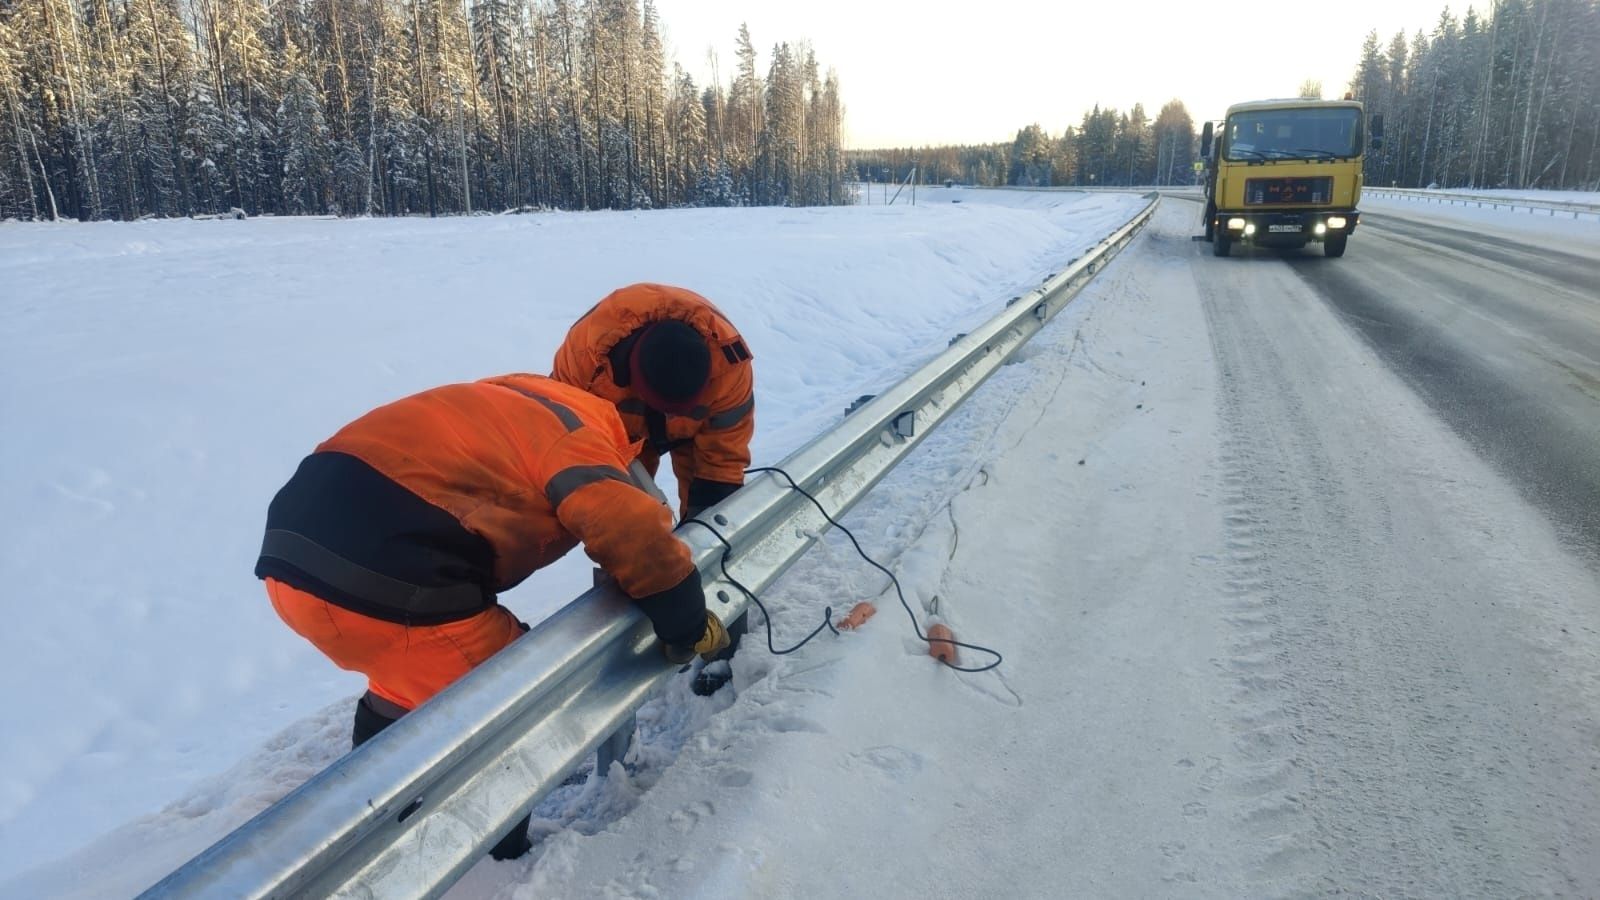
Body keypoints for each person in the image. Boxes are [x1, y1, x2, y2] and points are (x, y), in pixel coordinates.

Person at [254, 372, 729, 861]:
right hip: (388, 573)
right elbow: (634, 532)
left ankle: (371, 812)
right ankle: (494, 858)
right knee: (513, 708)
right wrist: (687, 623)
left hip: (291, 564)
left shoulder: (531, 395)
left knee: (411, 675)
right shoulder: (581, 440)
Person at [551, 283, 755, 695]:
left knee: (715, 528)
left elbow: (723, 461)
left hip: (699, 437)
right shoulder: (585, 365)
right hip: (614, 436)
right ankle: (644, 642)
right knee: (629, 537)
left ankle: (722, 642)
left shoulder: (729, 364)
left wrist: (708, 533)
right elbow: (578, 461)